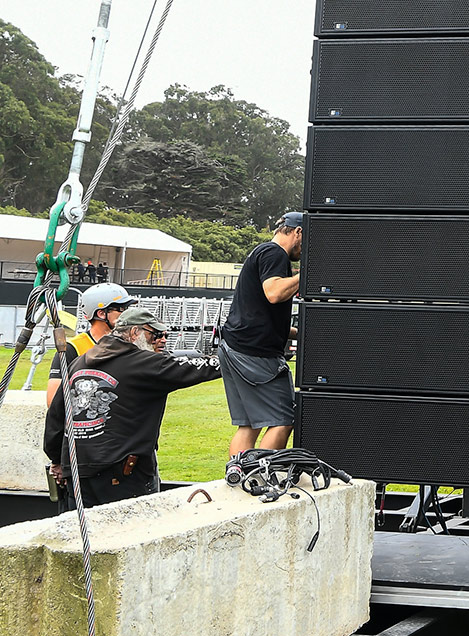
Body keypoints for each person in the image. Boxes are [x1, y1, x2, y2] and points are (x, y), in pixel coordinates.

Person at [42, 308, 220, 509]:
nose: (160, 341)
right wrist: (242, 356)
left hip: (78, 474)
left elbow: (56, 417)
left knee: (81, 536)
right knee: (130, 535)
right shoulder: (145, 364)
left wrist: (56, 459)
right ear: (135, 333)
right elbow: (207, 367)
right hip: (124, 476)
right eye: (154, 335)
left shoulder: (79, 363)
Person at [218, 212, 303, 459]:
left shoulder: (260, 252)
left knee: (249, 423)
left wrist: (299, 333)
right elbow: (274, 293)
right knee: (284, 419)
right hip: (255, 354)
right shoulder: (274, 253)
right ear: (297, 232)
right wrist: (307, 273)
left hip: (235, 346)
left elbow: (259, 315)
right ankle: (258, 476)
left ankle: (238, 477)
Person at [45, 282, 137, 409]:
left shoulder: (130, 345)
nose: (126, 315)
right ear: (101, 314)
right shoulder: (72, 348)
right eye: (121, 309)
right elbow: (53, 401)